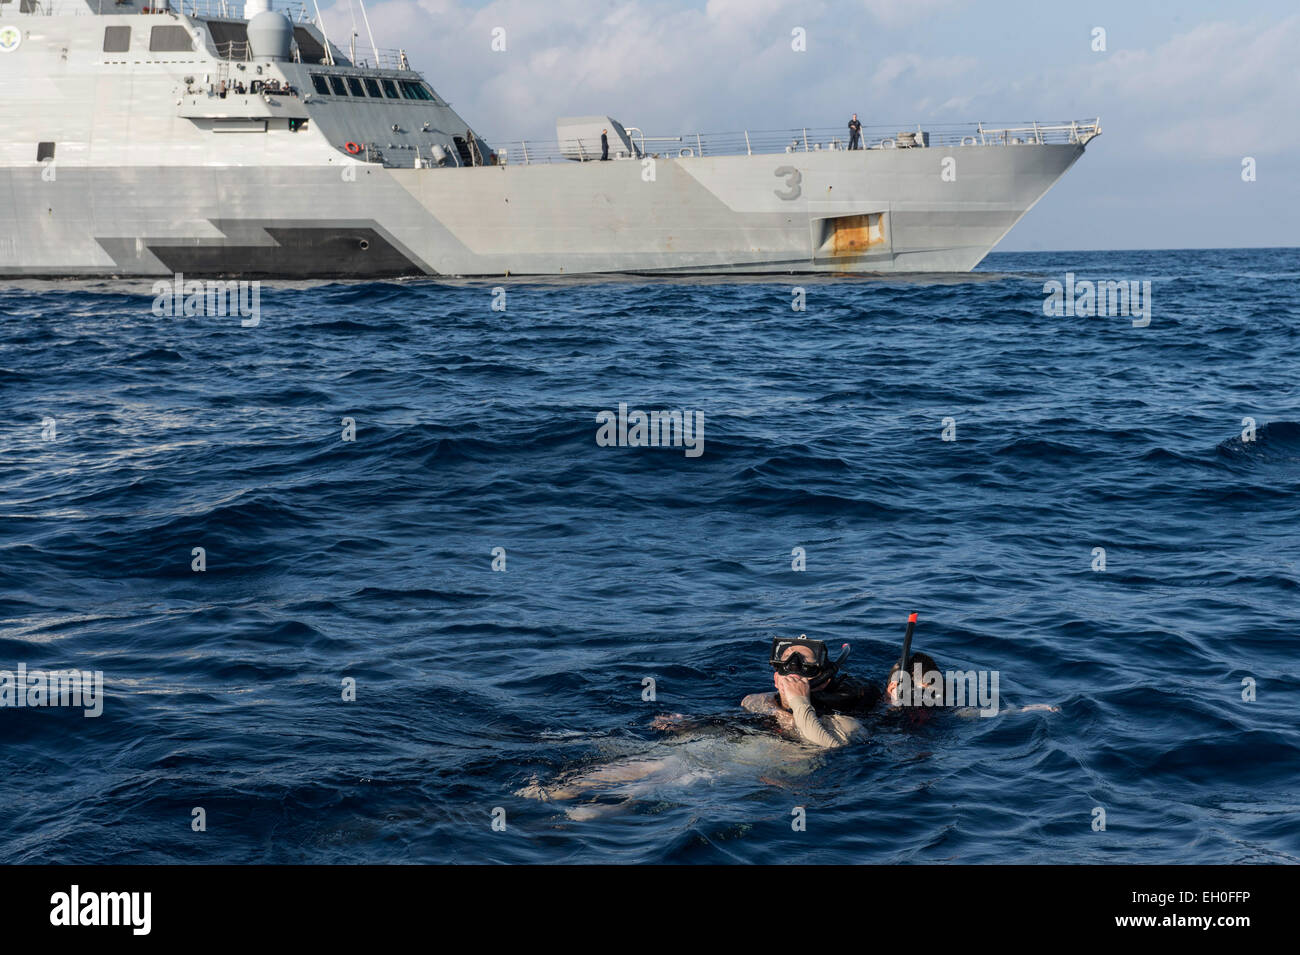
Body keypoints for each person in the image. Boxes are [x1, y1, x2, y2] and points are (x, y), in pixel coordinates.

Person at [739, 636, 871, 748]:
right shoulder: (760, 701)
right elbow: (749, 701)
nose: (793, 666)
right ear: (776, 679)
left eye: (807, 664)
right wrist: (781, 715)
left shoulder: (844, 725)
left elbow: (830, 747)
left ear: (824, 680)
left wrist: (799, 703)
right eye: (786, 660)